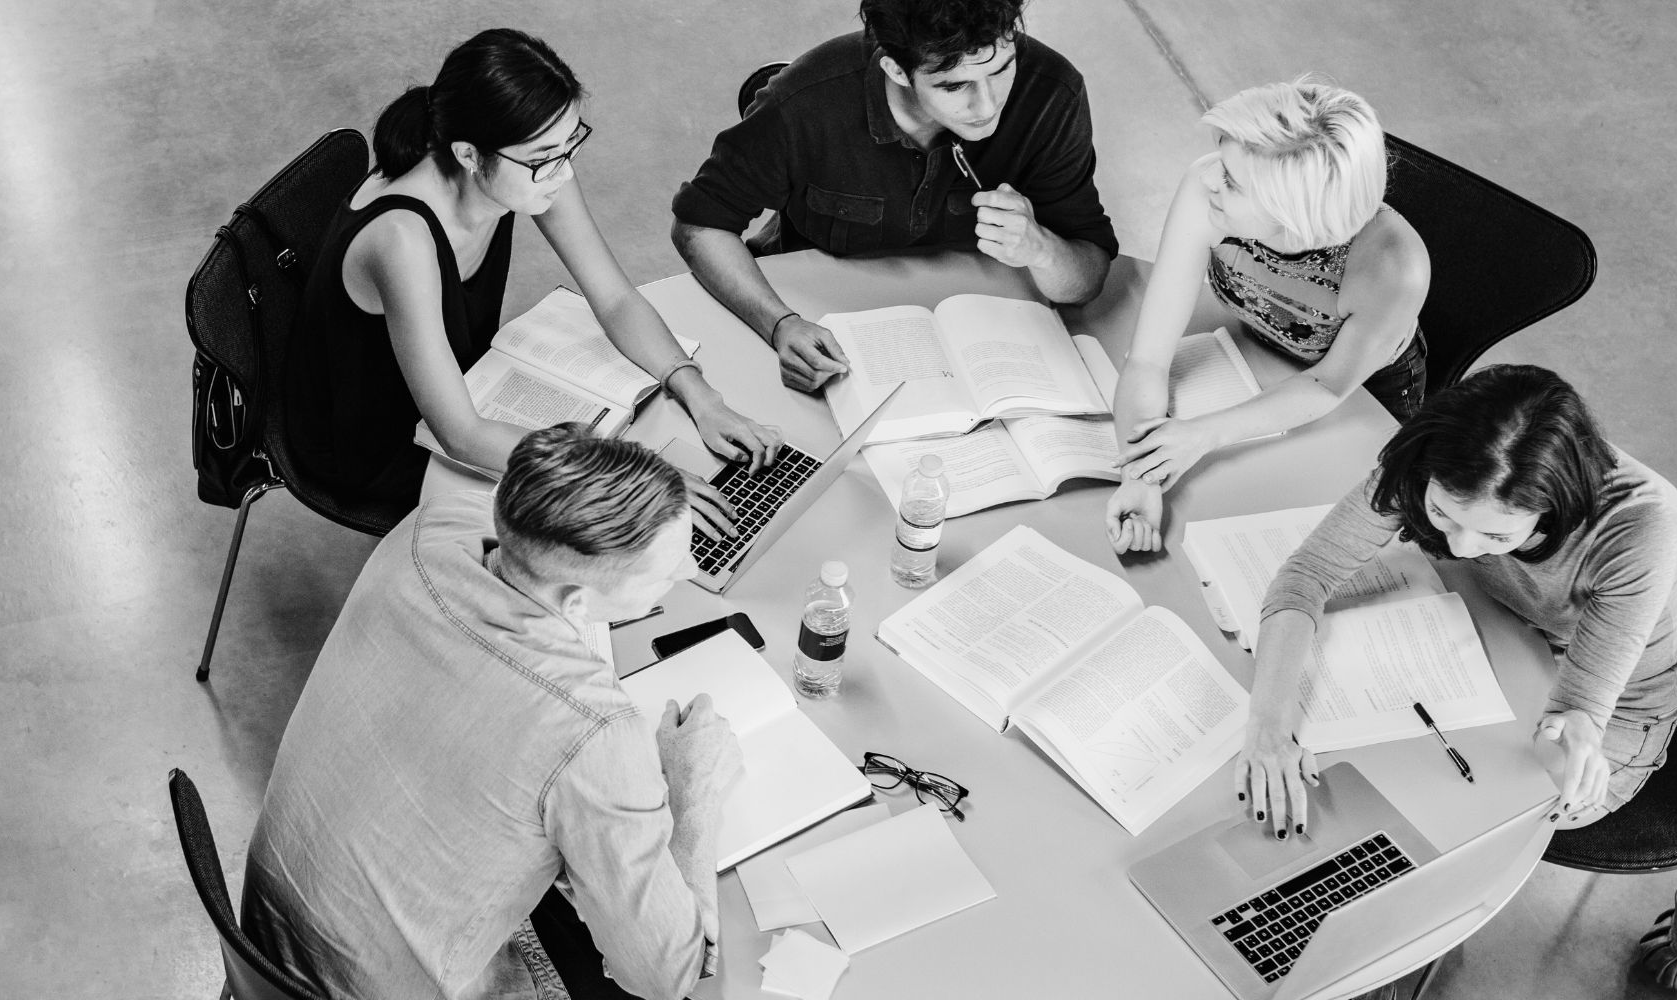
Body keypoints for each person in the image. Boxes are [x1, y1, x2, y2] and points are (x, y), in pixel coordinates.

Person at [242, 425, 744, 1000]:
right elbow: (665, 977)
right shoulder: (593, 733)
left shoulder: (433, 525)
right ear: (578, 604)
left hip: (267, 939)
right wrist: (693, 796)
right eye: (668, 572)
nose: (684, 575)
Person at [290, 29, 777, 534]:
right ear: (468, 155)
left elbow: (613, 298)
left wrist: (700, 395)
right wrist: (632, 472)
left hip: (464, 387)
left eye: (570, 144)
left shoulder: (528, 163)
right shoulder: (402, 240)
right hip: (379, 439)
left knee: (646, 440)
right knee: (598, 525)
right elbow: (459, 434)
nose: (562, 172)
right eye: (546, 156)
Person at [1235, 365, 1677, 837]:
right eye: (1441, 513)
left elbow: (1574, 714)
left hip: (1618, 706)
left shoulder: (1642, 530)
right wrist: (1268, 723)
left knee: (1469, 819)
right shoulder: (1446, 454)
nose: (1459, 549)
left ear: (1555, 505)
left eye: (1495, 534)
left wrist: (1573, 736)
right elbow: (1308, 574)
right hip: (1503, 630)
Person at [671, 0, 1117, 393]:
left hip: (982, 344)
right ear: (896, 69)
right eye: (954, 86)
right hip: (822, 324)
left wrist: (1042, 249)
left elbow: (1086, 280)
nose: (987, 106)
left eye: (1001, 69)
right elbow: (700, 225)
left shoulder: (1054, 92)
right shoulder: (803, 101)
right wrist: (779, 323)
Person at [1107, 78, 1430, 555]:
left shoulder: (1394, 267)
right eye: (1222, 157)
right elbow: (1149, 358)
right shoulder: (1207, 187)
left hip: (1363, 389)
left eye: (1234, 182)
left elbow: (1328, 385)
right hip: (1253, 349)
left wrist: (1201, 435)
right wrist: (1141, 477)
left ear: (1293, 216)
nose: (1210, 178)